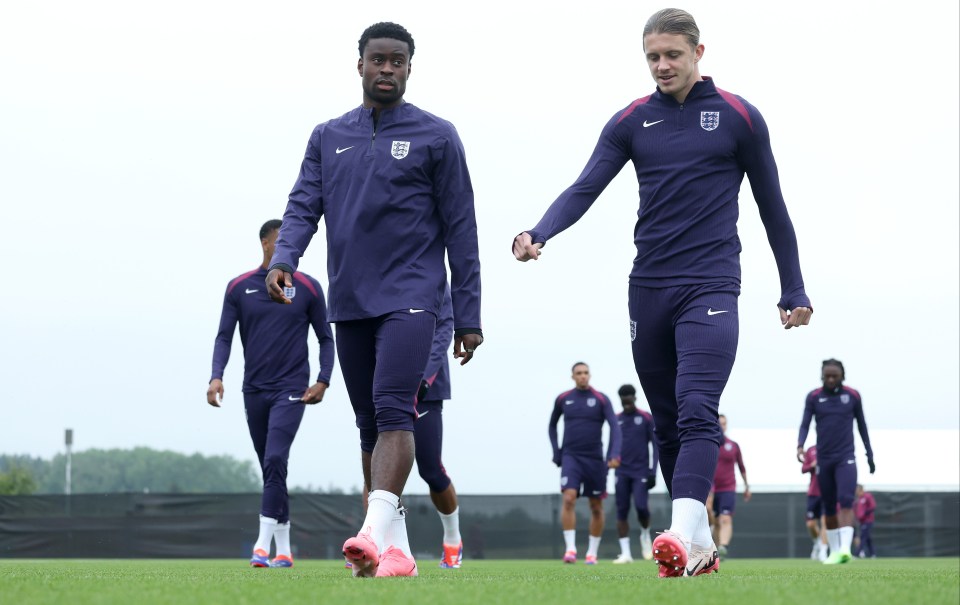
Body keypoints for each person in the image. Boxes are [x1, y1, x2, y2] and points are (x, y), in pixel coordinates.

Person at [512, 7, 812, 579]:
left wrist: (791, 286)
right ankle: (697, 548)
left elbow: (773, 208)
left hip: (713, 283)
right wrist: (537, 232)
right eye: (652, 56)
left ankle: (674, 532)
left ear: (700, 53)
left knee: (699, 409)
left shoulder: (739, 118)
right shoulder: (630, 121)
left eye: (672, 54)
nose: (662, 65)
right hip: (648, 287)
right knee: (669, 422)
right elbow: (585, 187)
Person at [265, 22, 483, 578]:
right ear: (359, 64)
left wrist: (470, 316)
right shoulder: (327, 135)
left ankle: (369, 530)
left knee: (392, 409)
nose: (387, 69)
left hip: (414, 295)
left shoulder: (438, 136)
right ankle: (398, 552)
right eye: (377, 60)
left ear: (411, 68)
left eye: (397, 61)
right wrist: (283, 259)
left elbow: (462, 230)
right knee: (368, 423)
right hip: (352, 298)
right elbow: (301, 206)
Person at [207, 219, 335, 568]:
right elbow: (223, 337)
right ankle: (285, 550)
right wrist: (216, 377)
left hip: (293, 389)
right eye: (281, 242)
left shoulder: (308, 287)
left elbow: (326, 337)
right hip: (254, 390)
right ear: (265, 244)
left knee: (276, 459)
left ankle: (262, 547)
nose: (287, 249)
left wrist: (323, 379)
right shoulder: (238, 287)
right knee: (271, 469)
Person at [797, 359, 875, 565]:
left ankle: (845, 550)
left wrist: (869, 453)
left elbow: (862, 425)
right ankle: (833, 552)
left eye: (835, 376)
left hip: (846, 457)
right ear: (822, 376)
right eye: (827, 376)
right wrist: (800, 445)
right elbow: (805, 423)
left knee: (846, 501)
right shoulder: (814, 397)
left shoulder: (852, 396)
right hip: (824, 459)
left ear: (842, 376)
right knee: (829, 507)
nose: (831, 379)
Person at [549, 362, 622, 565]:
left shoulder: (601, 399)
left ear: (590, 375)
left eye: (586, 373)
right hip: (571, 457)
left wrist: (613, 454)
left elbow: (615, 428)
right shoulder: (563, 399)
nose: (582, 376)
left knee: (596, 505)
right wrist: (557, 452)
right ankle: (571, 550)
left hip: (595, 459)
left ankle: (592, 552)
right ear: (572, 376)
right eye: (578, 373)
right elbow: (552, 426)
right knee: (569, 498)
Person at [413, 285, 464, 569]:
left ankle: (453, 538)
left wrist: (425, 379)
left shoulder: (435, 282)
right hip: (388, 382)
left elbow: (444, 331)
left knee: (430, 468)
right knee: (376, 464)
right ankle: (373, 541)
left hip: (426, 389)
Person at [612, 384, 659, 563]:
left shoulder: (646, 418)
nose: (627, 402)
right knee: (621, 510)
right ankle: (625, 553)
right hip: (621, 471)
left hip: (640, 471)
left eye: (629, 398)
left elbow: (655, 446)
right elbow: (612, 445)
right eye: (623, 399)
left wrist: (653, 471)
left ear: (634, 398)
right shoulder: (616, 419)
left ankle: (645, 534)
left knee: (641, 507)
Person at [704, 414, 750, 557]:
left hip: (727, 488)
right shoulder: (708, 445)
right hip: (710, 486)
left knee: (725, 518)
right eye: (719, 423)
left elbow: (742, 467)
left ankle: (723, 547)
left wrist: (747, 486)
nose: (722, 426)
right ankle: (714, 547)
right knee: (711, 514)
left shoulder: (733, 446)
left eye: (724, 423)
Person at [801, 444, 828, 561]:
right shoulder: (811, 450)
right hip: (813, 493)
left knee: (824, 522)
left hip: (827, 492)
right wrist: (812, 465)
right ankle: (817, 543)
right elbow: (803, 469)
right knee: (810, 524)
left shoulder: (831, 447)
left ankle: (823, 550)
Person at [854, 484, 876, 558]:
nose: (856, 492)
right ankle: (873, 554)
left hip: (868, 521)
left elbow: (873, 506)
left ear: (860, 490)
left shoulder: (867, 496)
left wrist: (864, 514)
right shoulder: (859, 499)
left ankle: (857, 554)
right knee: (868, 538)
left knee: (863, 537)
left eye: (857, 490)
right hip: (862, 521)